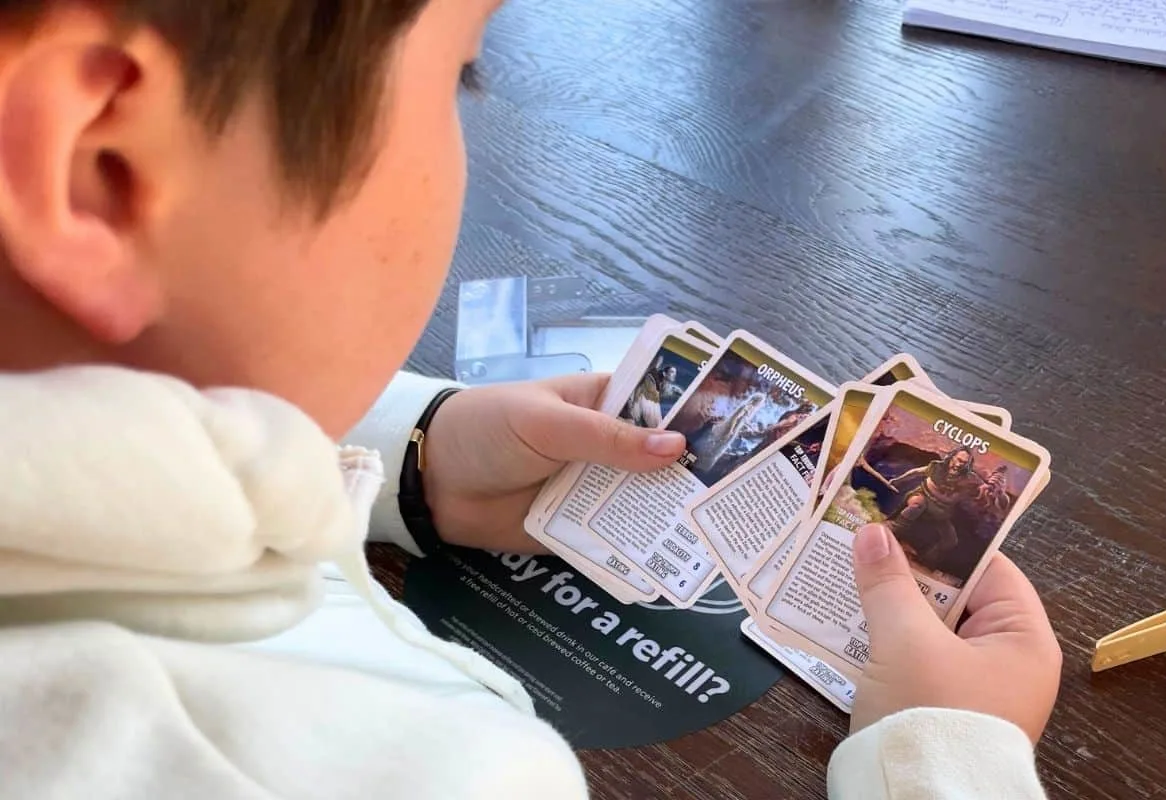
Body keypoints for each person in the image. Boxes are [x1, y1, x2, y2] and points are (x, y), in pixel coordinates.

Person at [0, 1, 1062, 798]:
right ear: (98, 167)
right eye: (464, 74)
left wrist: (414, 457)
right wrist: (950, 759)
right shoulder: (428, 769)